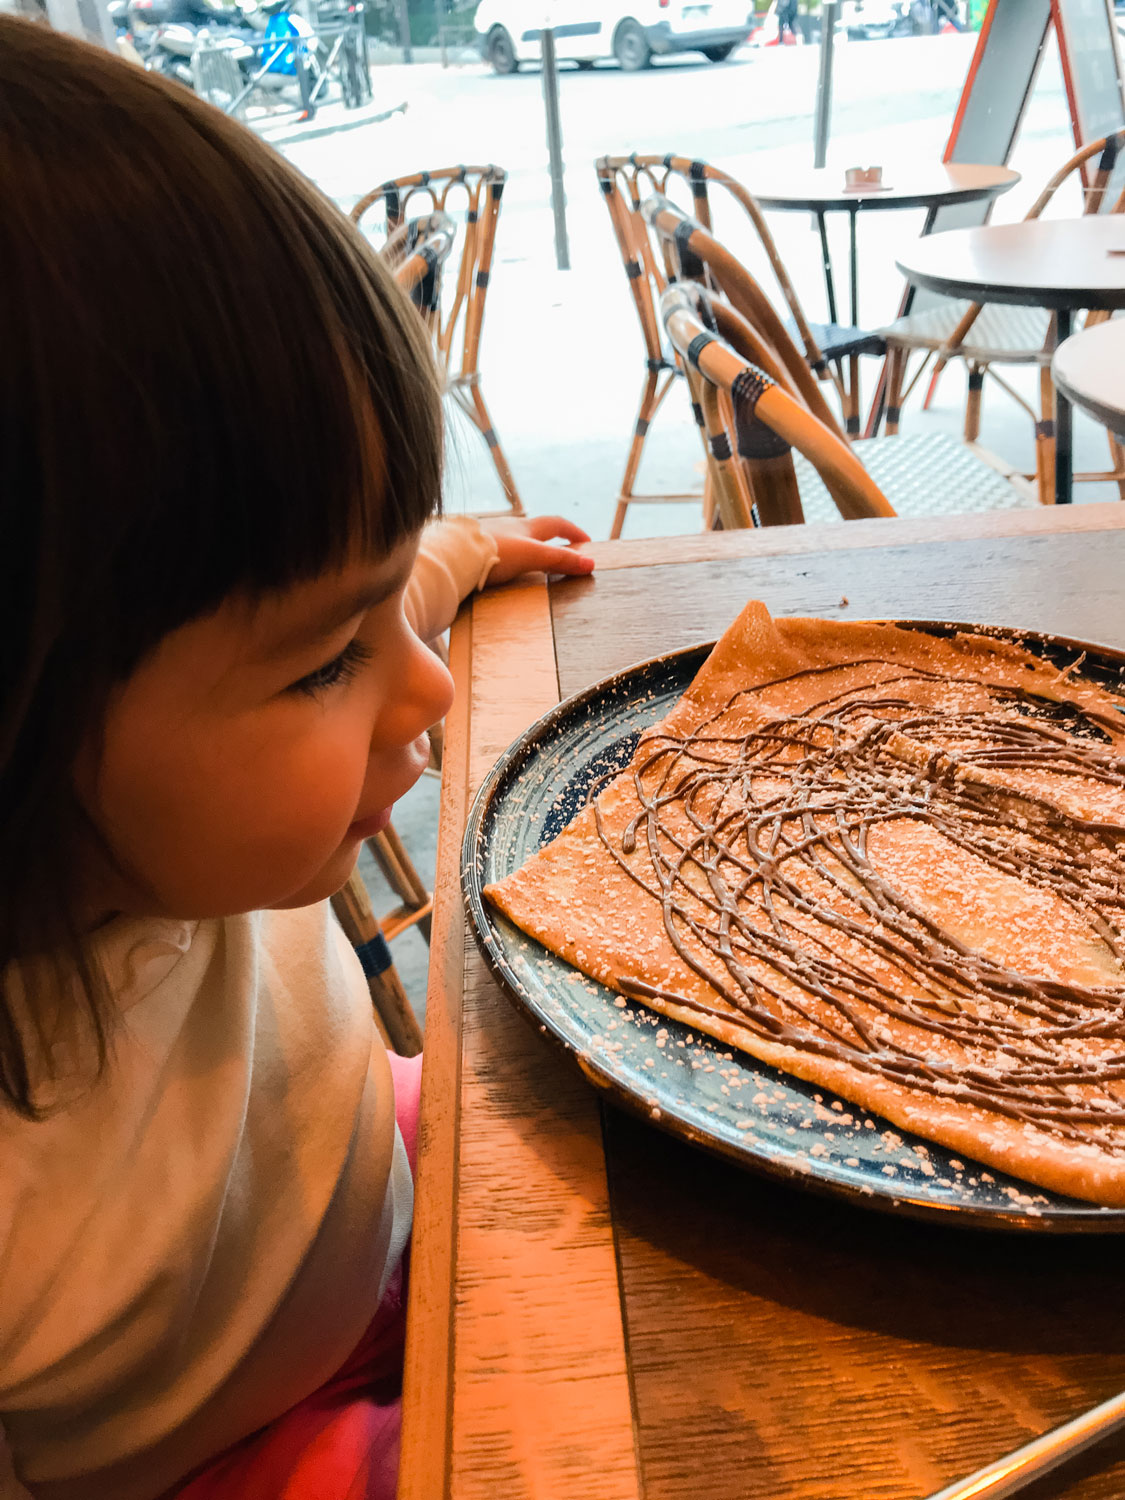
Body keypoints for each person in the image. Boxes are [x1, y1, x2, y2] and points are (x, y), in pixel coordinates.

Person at [0, 17, 593, 1500]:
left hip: (340, 1199)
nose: (429, 689)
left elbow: (378, 595)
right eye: (330, 658)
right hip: (230, 1451)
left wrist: (449, 557)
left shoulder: (172, 813)